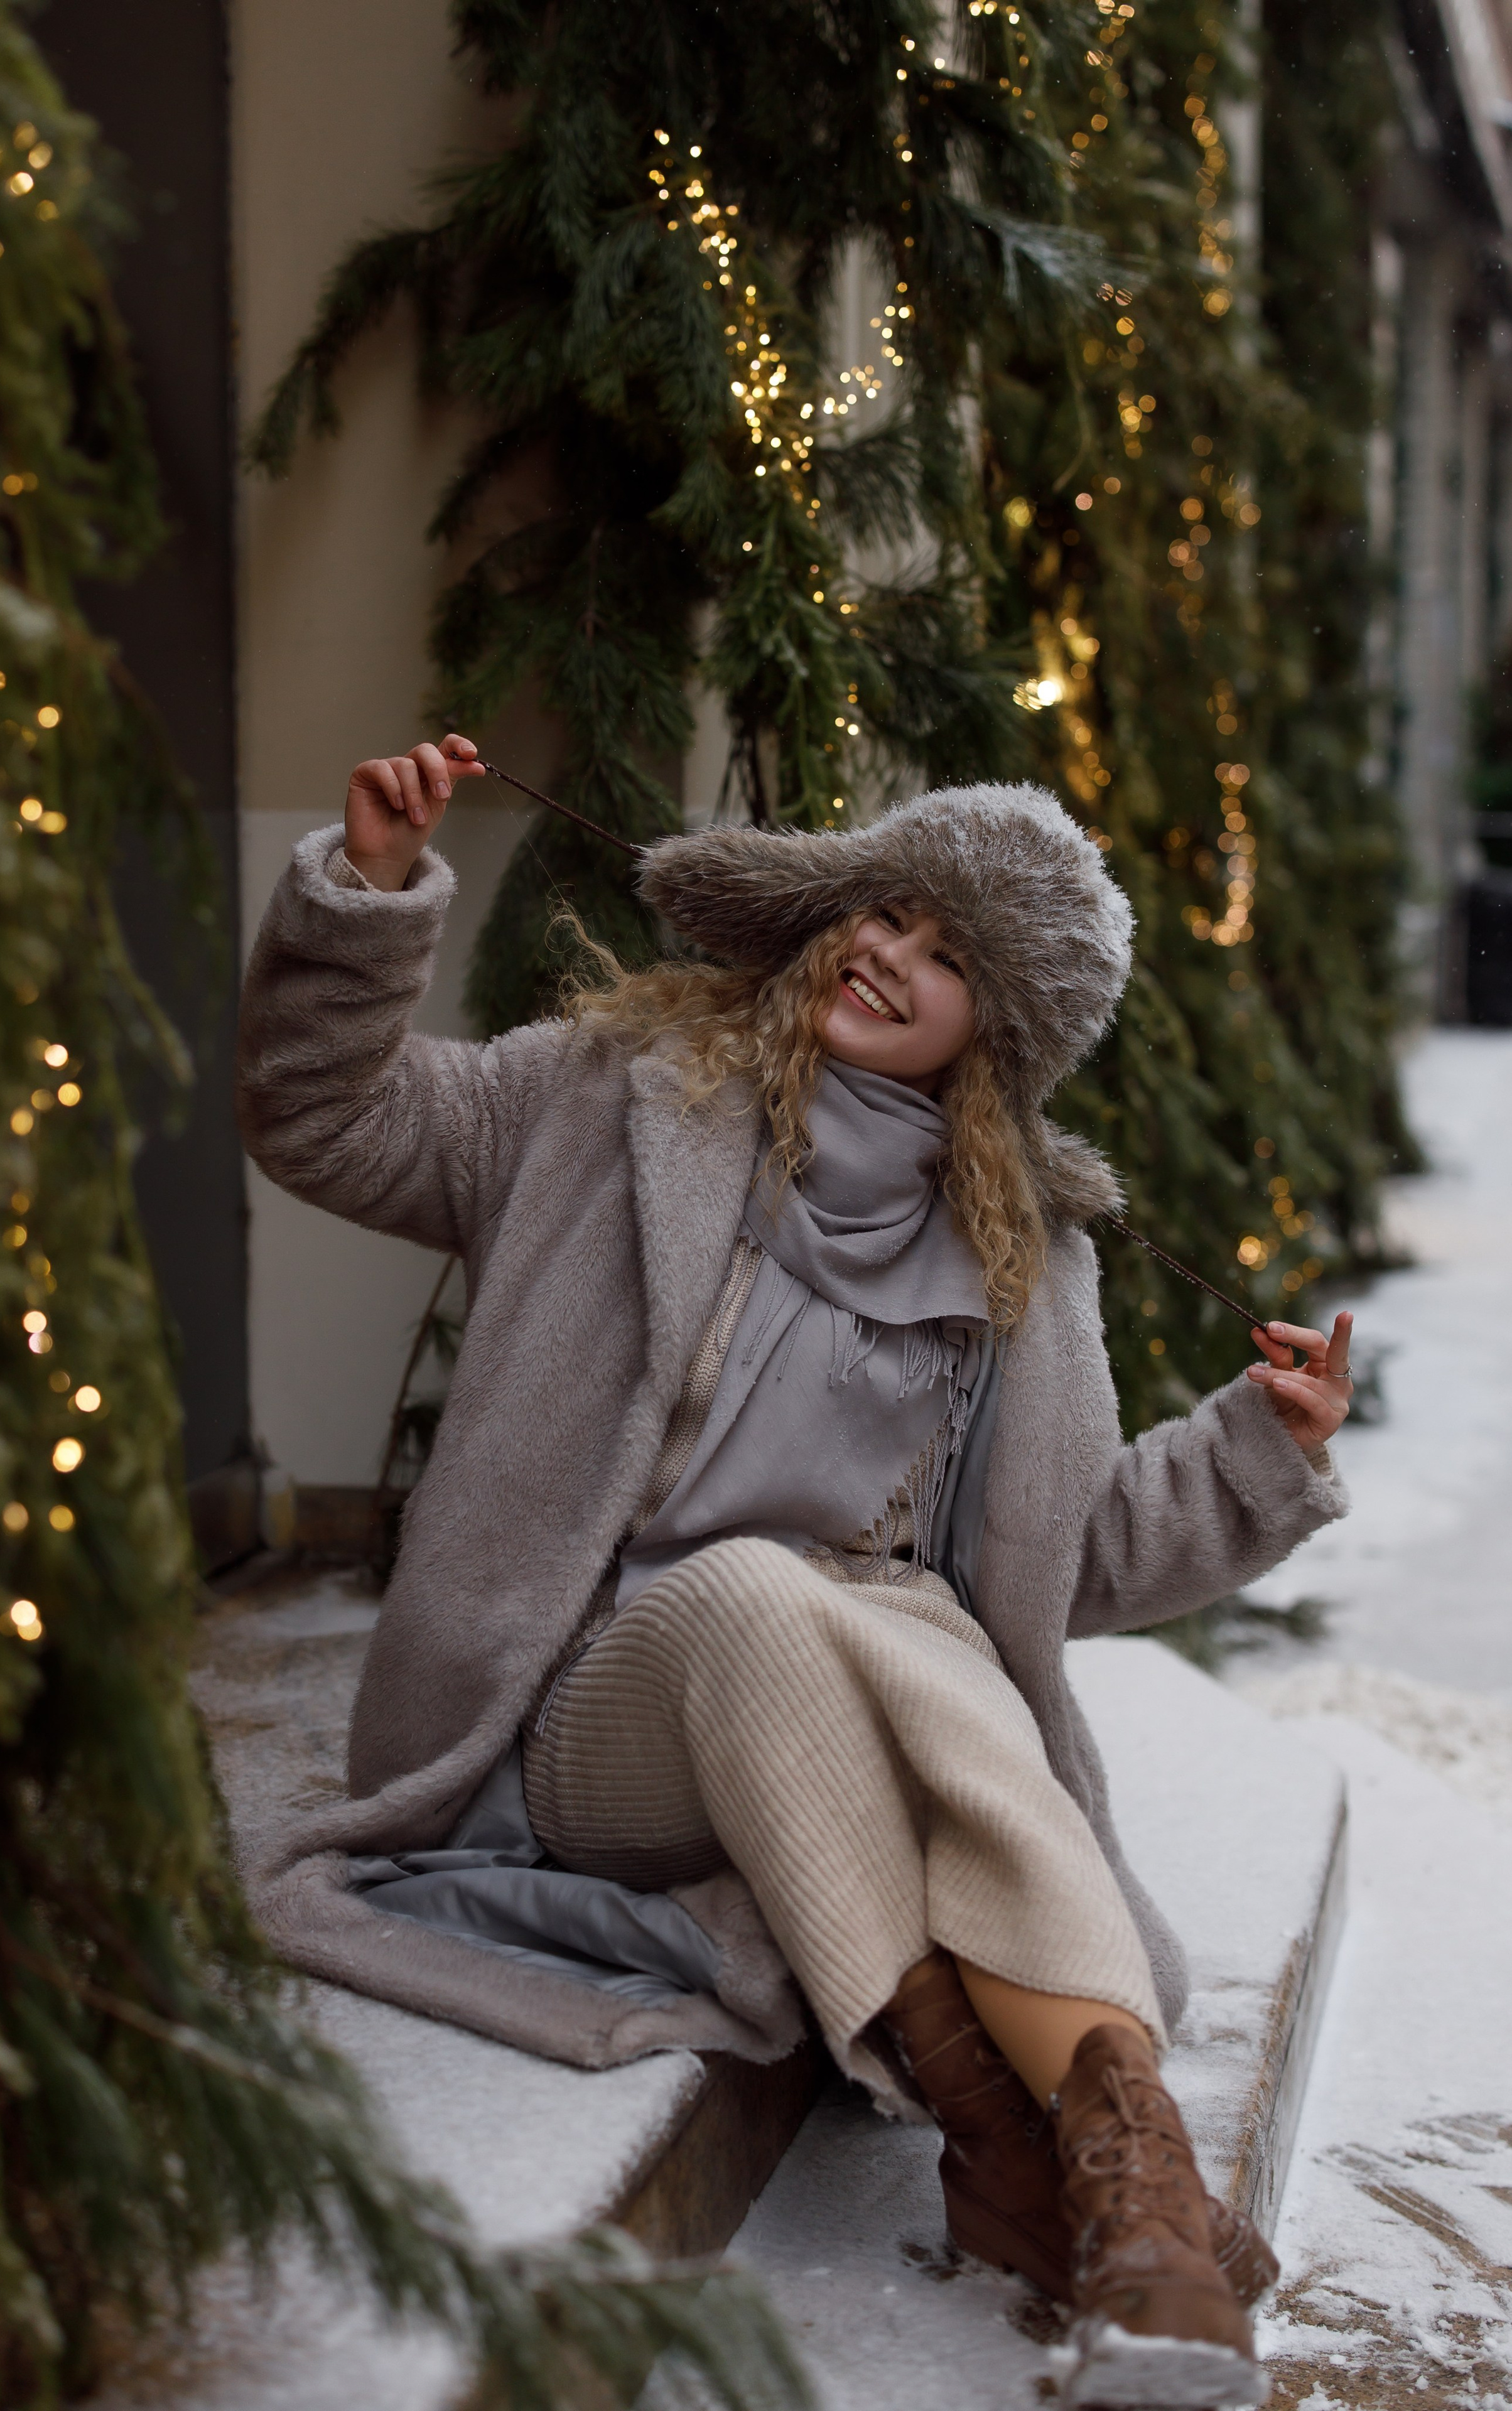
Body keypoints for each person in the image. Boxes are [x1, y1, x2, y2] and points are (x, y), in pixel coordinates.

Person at [236, 735, 1354, 2408]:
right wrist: (370, 895)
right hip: (600, 1707)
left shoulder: (1022, 1257)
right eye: (889, 911)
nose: (891, 956)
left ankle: (1119, 2195)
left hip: (870, 1703)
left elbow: (1066, 1556)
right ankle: (1061, 2154)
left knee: (925, 1632)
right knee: (769, 1592)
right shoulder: (607, 1095)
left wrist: (1263, 1445)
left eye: (950, 955)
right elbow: (325, 1118)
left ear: (997, 1035)